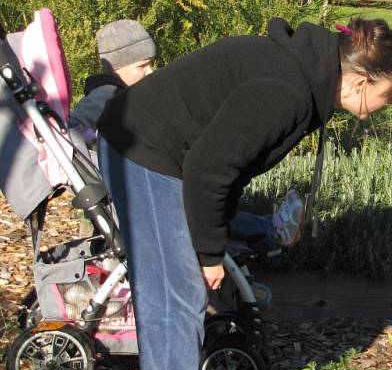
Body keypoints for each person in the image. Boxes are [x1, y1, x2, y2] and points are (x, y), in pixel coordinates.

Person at [96, 17, 392, 370]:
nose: (384, 108)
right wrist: (208, 253)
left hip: (163, 152)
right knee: (173, 309)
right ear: (362, 80)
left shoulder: (303, 79)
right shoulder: (284, 89)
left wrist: (213, 237)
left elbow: (229, 165)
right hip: (144, 150)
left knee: (181, 306)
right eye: (389, 95)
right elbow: (210, 170)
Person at [70, 19, 305, 247]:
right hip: (133, 186)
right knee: (199, 208)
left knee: (201, 201)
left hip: (136, 180)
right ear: (117, 66)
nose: (151, 71)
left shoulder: (121, 96)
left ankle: (267, 229)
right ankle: (271, 228)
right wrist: (91, 138)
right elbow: (73, 131)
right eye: (142, 65)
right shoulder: (105, 95)